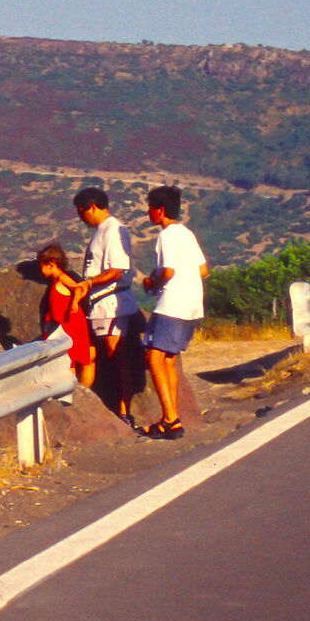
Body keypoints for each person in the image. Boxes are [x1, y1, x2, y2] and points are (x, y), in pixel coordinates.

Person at [139, 185, 207, 440]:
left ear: (160, 210)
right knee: (168, 358)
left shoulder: (166, 236)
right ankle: (171, 418)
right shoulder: (187, 233)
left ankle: (171, 419)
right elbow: (203, 270)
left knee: (153, 357)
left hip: (172, 303)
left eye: (150, 208)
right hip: (191, 304)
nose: (149, 212)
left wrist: (151, 282)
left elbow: (167, 272)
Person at [74, 186, 142, 423]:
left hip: (111, 303)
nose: (81, 218)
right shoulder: (102, 231)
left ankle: (124, 411)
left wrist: (88, 283)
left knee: (117, 355)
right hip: (98, 303)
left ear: (92, 207)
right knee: (100, 355)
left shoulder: (112, 230)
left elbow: (116, 269)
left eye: (81, 212)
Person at [33, 242, 99, 385]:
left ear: (51, 264)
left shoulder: (61, 278)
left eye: (42, 266)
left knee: (75, 359)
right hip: (64, 323)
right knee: (71, 359)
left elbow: (78, 288)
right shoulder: (55, 281)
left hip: (71, 323)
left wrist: (75, 301)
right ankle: (77, 390)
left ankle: (78, 391)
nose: (40, 270)